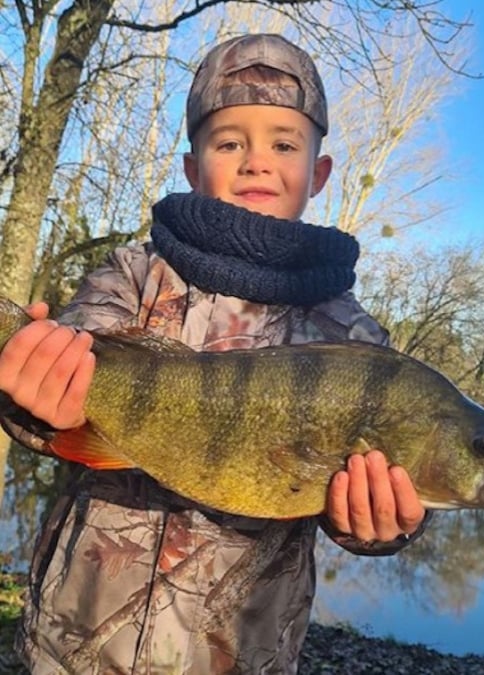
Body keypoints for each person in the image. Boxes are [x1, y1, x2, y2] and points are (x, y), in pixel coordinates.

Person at [0, 33, 430, 673]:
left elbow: (356, 502)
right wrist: (31, 396)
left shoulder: (354, 340)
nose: (257, 162)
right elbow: (53, 407)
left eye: (283, 143)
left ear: (318, 173)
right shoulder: (131, 276)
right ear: (193, 167)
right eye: (230, 142)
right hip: (74, 646)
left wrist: (384, 526)